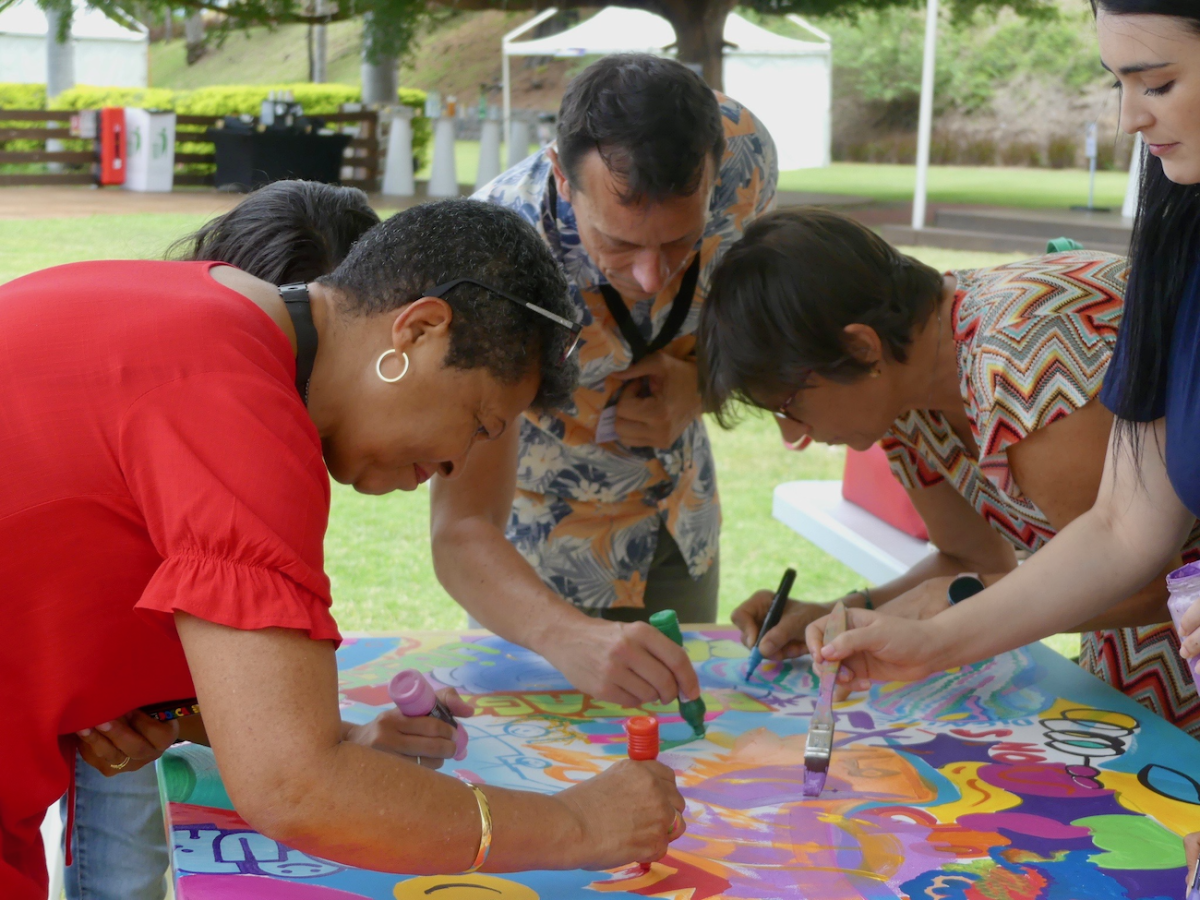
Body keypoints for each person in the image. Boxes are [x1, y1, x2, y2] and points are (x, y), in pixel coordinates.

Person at [1, 199, 686, 900]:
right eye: (480, 421)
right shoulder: (242, 405)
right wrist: (576, 823)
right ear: (418, 329)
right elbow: (293, 786)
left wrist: (330, 750)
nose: (455, 461)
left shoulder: (215, 309)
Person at [789, 2, 1200, 733]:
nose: (1129, 119)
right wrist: (929, 639)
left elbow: (1135, 565)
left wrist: (948, 613)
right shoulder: (1178, 246)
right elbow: (1122, 533)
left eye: (1158, 84)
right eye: (1117, 86)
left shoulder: (1018, 354)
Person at [698, 206, 1200, 737]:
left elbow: (1148, 578)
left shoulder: (1020, 357)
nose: (791, 435)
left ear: (861, 347)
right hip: (1144, 675)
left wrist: (965, 607)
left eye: (788, 404)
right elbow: (969, 559)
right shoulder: (906, 398)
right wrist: (846, 612)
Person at [58, 181, 382, 900]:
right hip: (86, 701)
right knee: (121, 873)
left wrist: (182, 717)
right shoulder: (184, 400)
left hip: (135, 705)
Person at [433, 54, 777, 709]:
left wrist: (700, 384)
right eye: (619, 245)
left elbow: (752, 311)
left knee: (688, 761)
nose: (652, 277)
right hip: (540, 564)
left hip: (680, 526)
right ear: (563, 176)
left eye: (680, 243)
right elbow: (461, 528)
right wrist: (565, 637)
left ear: (714, 167)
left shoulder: (747, 156)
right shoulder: (488, 260)